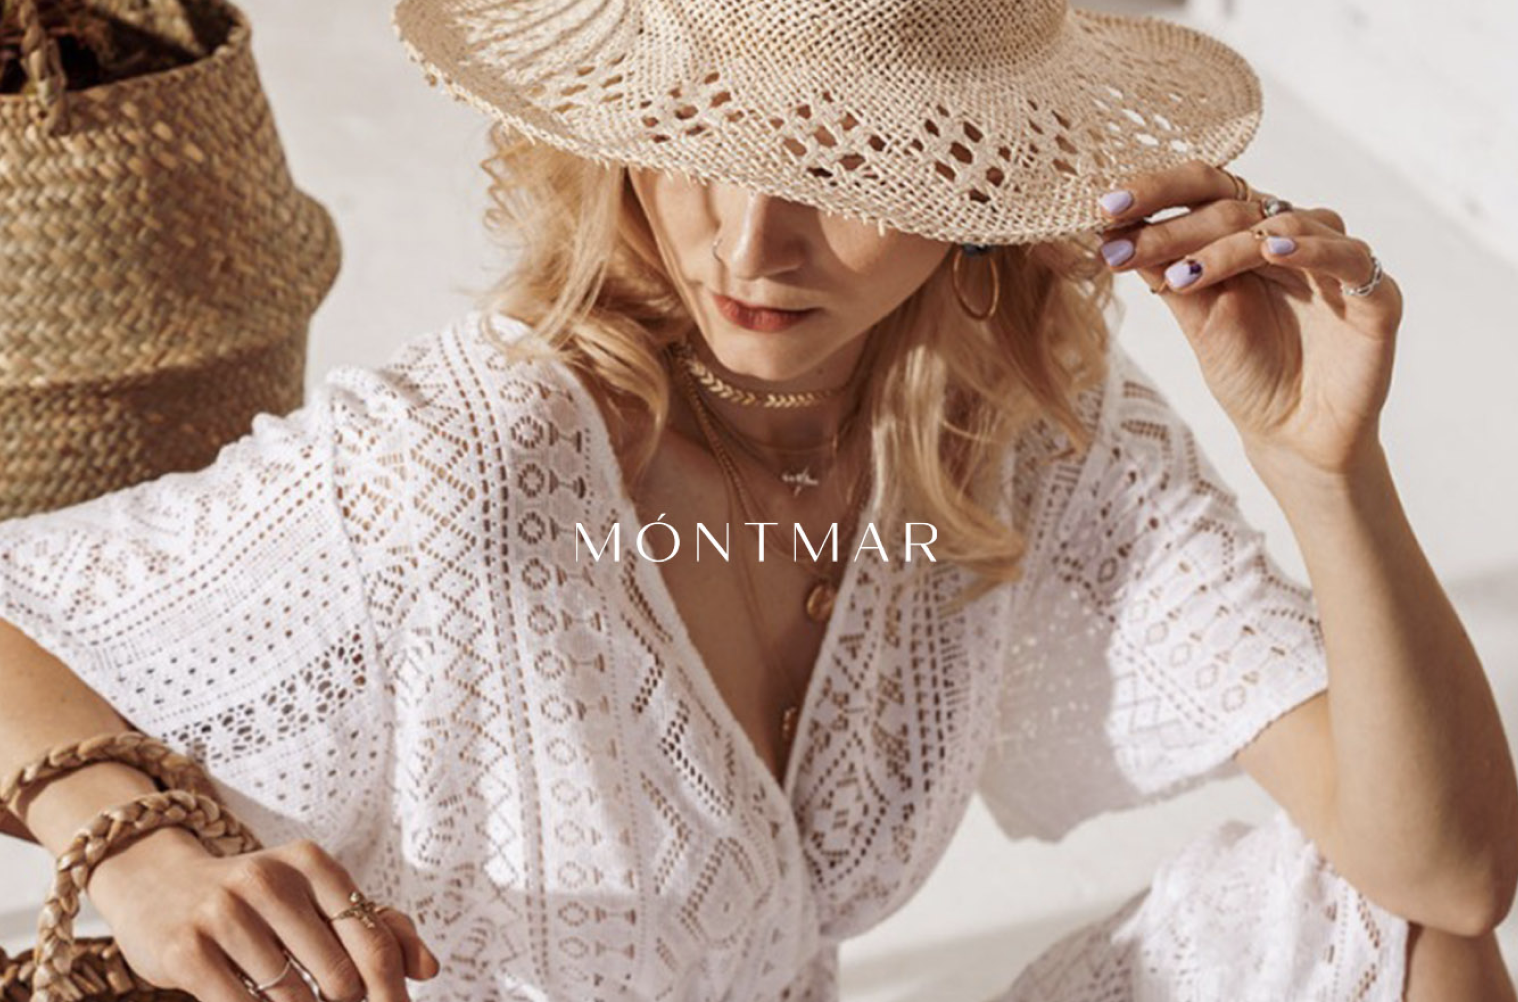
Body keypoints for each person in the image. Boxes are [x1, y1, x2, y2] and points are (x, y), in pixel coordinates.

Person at [2, 0, 1516, 999]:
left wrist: (1324, 468)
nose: (750, 242)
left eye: (845, 157)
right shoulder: (471, 459)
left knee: (1396, 942)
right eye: (706, 138)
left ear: (972, 177)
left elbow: (1448, 874)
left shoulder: (1024, 431)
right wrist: (133, 845)